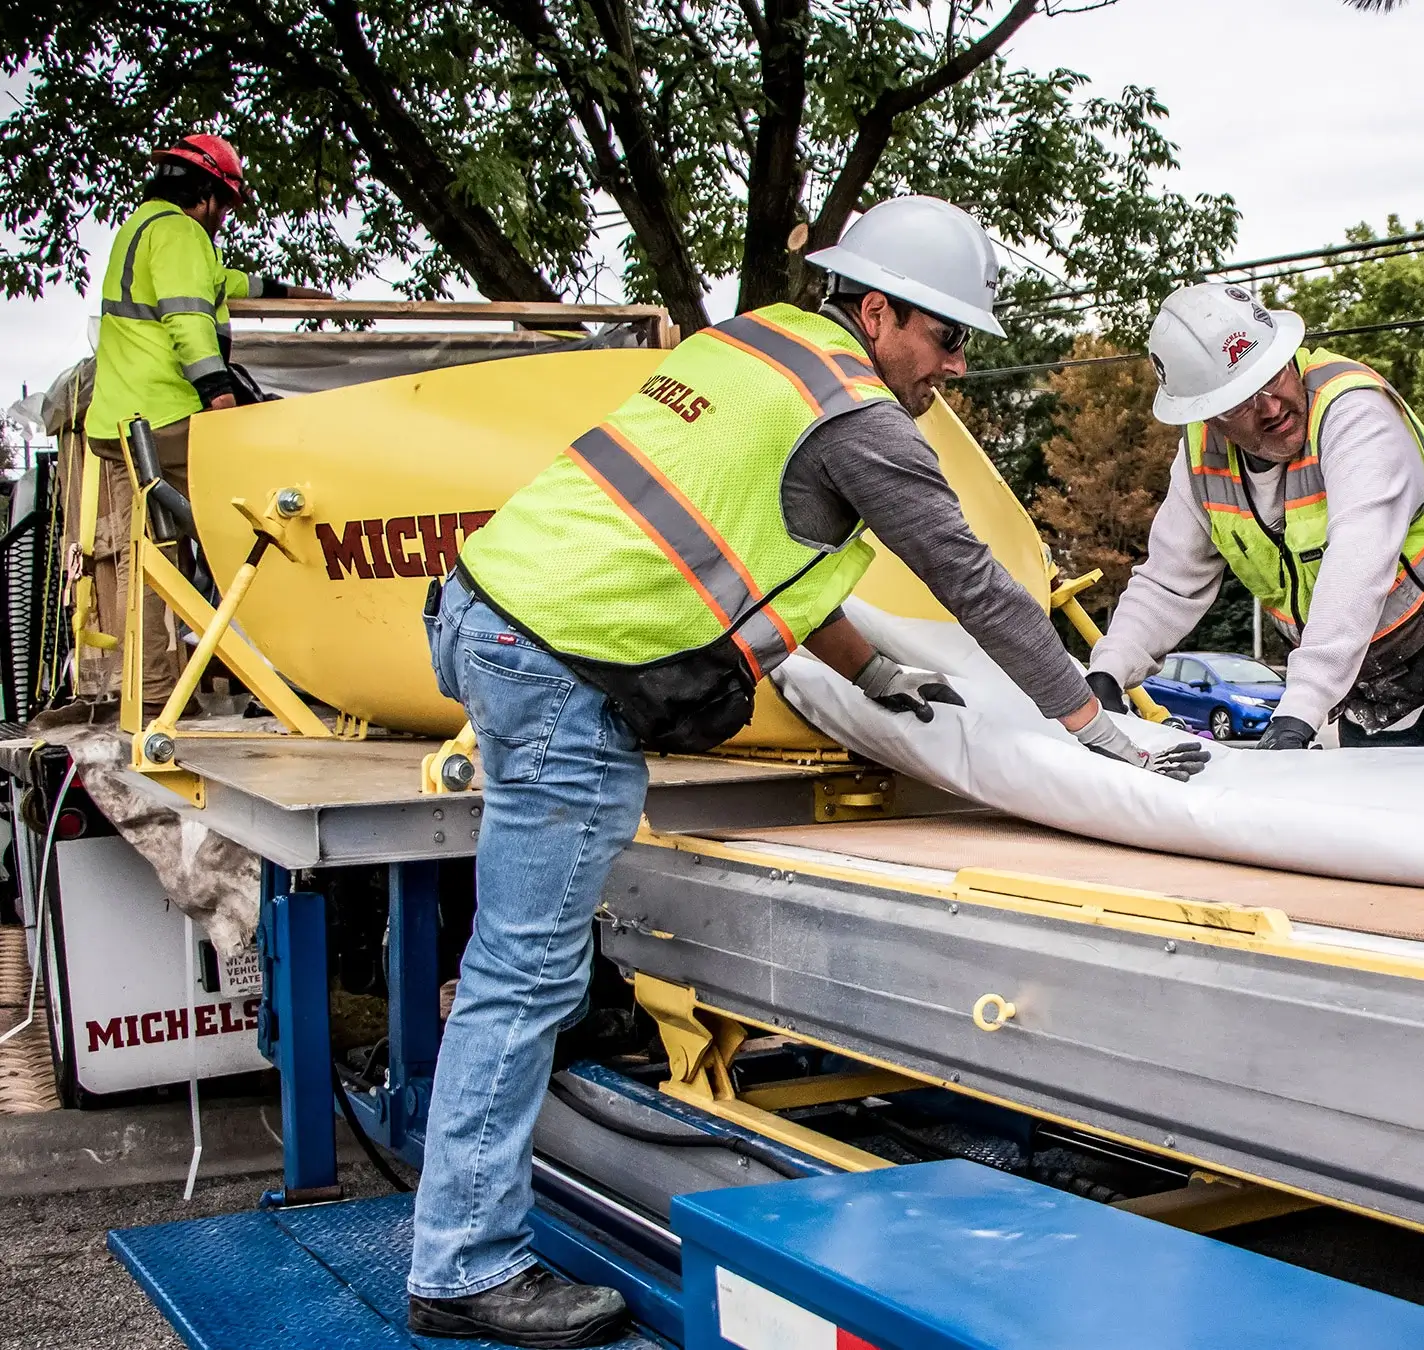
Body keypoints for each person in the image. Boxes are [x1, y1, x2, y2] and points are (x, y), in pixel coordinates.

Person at [406, 195, 1207, 1347]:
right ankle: (464, 1268)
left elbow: (749, 542)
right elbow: (977, 585)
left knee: (522, 968)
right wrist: (1090, 724)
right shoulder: (863, 419)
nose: (958, 364)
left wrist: (873, 673)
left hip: (485, 609)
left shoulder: (753, 346)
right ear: (877, 312)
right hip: (564, 669)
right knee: (523, 978)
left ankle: (464, 1234)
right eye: (944, 336)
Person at [1088, 282, 1424, 752]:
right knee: (1373, 826)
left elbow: (1357, 560)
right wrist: (1111, 667)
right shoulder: (1201, 459)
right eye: (1241, 400)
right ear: (1208, 415)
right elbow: (1169, 581)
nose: (1270, 407)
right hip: (1367, 687)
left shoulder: (1355, 413)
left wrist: (1301, 708)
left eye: (1273, 376)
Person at [80, 134, 333, 708]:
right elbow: (189, 317)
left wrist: (288, 291)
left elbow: (220, 284)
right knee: (269, 523)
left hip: (123, 422)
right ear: (210, 196)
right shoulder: (181, 233)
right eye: (226, 207)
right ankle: (292, 670)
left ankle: (146, 691)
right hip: (168, 418)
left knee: (139, 559)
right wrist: (218, 392)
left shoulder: (141, 228)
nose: (223, 221)